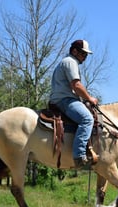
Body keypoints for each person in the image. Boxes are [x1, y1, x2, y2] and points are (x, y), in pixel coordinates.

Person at [49, 39, 98, 168]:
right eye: (83, 53)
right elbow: (76, 85)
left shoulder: (66, 62)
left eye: (86, 55)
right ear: (74, 51)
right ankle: (79, 155)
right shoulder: (70, 62)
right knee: (87, 119)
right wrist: (89, 98)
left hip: (60, 99)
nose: (85, 57)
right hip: (65, 100)